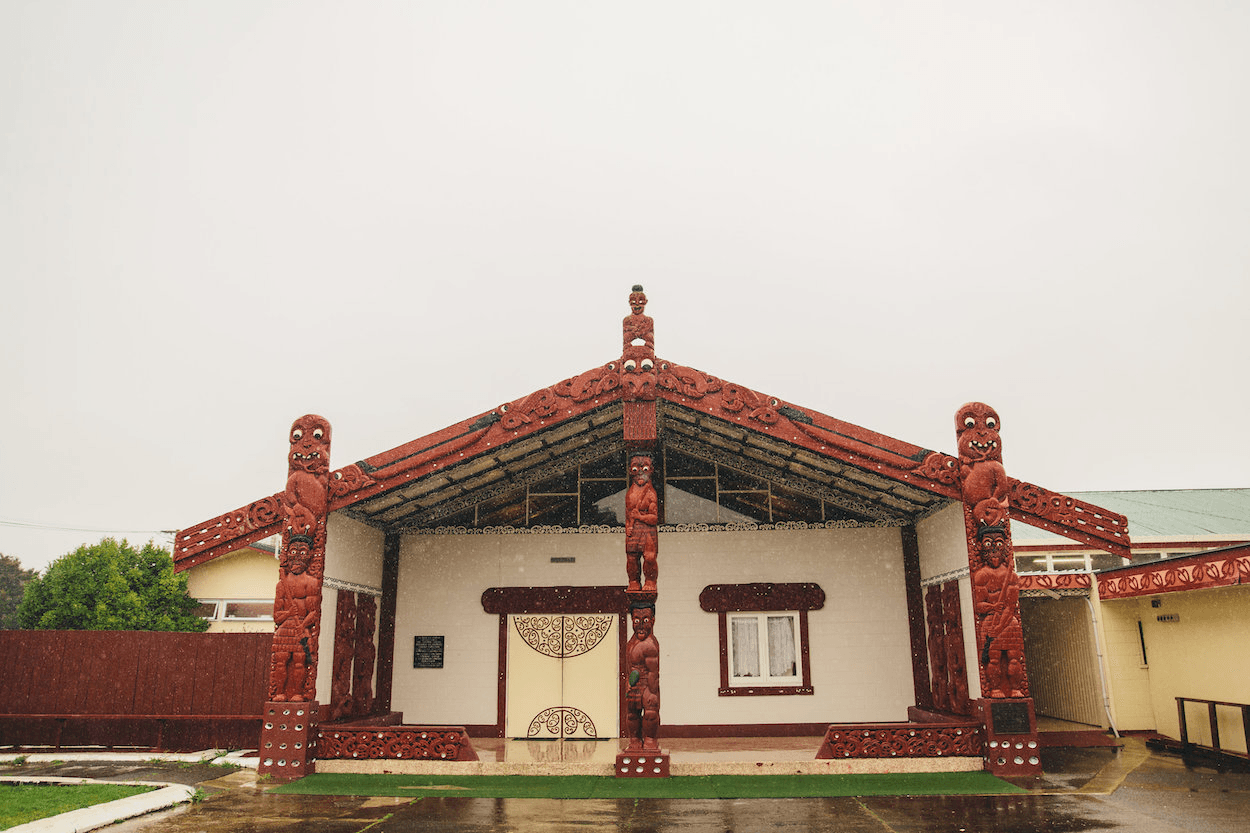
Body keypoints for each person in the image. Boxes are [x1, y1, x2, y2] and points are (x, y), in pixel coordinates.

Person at [271, 536, 320, 702]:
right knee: (281, 663)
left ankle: (298, 693)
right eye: (293, 552)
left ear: (310, 555)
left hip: (301, 626)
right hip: (285, 628)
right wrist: (288, 613)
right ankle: (280, 693)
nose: (297, 557)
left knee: (300, 662)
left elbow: (313, 612)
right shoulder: (281, 585)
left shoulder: (311, 582)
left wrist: (304, 624)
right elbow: (276, 616)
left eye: (302, 552)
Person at [624, 603, 660, 751]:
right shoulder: (630, 643)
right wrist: (628, 682)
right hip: (633, 682)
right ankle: (634, 739)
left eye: (645, 621)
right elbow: (628, 666)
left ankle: (650, 739)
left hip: (648, 682)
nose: (640, 626)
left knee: (651, 712)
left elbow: (653, 671)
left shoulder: (650, 644)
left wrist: (652, 691)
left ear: (652, 620)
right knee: (632, 714)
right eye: (636, 621)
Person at [625, 454, 659, 592]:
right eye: (635, 469)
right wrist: (628, 526)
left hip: (647, 530)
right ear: (630, 471)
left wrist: (640, 516)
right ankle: (633, 581)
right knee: (632, 558)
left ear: (651, 470)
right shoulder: (630, 493)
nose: (639, 473)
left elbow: (654, 518)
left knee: (649, 557)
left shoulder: (651, 493)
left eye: (644, 469)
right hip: (634, 529)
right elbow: (628, 516)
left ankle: (650, 581)